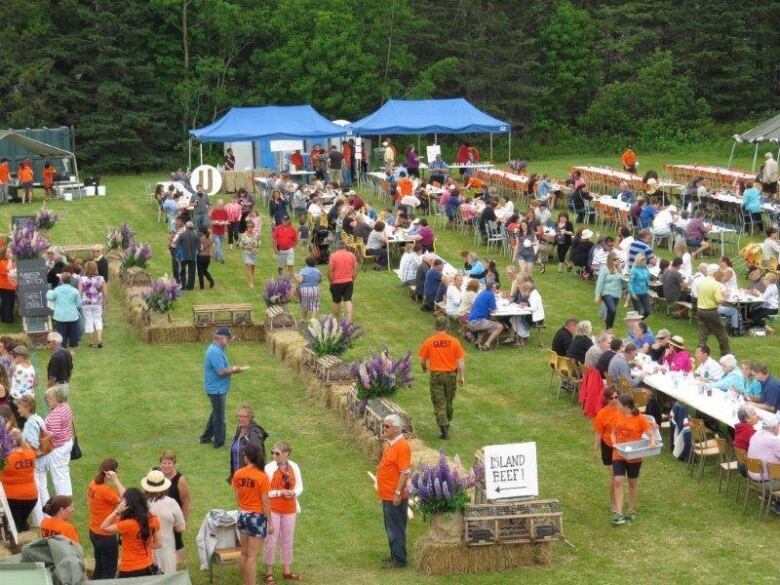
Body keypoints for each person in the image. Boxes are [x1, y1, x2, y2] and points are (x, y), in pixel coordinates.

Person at [610, 393, 656, 526]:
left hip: (634, 456)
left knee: (632, 483)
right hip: (619, 454)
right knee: (618, 481)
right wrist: (614, 443)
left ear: (626, 406)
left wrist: (652, 442)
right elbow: (613, 432)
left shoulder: (639, 418)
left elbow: (650, 434)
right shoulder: (617, 415)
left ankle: (632, 510)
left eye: (618, 404)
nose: (616, 405)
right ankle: (619, 513)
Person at [232, 442, 274, 585]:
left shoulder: (238, 474)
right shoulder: (262, 477)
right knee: (252, 556)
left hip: (242, 515)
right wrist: (270, 521)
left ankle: (245, 581)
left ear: (247, 457)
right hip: (256, 517)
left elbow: (237, 497)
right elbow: (265, 501)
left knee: (244, 553)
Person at [418, 317, 466, 440]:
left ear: (436, 327)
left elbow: (423, 360)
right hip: (451, 376)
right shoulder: (454, 342)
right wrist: (462, 377)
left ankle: (444, 431)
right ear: (447, 327)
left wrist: (424, 368)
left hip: (437, 376)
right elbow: (460, 361)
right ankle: (447, 422)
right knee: (448, 401)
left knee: (439, 402)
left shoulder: (429, 341)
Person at [264, 441, 304, 583]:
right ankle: (268, 572)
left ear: (286, 453)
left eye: (277, 453)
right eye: (272, 453)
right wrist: (279, 492)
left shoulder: (294, 467)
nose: (274, 456)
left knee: (287, 539)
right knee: (271, 539)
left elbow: (299, 487)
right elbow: (265, 492)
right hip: (273, 509)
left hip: (289, 509)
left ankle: (286, 571)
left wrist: (292, 493)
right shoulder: (268, 468)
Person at [100, 487, 162, 578]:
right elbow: (158, 544)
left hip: (129, 569)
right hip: (148, 566)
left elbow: (103, 527)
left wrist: (117, 511)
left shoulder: (128, 525)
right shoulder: (154, 519)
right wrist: (145, 545)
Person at [201, 328, 246, 449]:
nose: (229, 341)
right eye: (228, 338)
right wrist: (235, 370)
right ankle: (219, 443)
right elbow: (221, 371)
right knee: (220, 417)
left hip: (217, 388)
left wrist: (232, 368)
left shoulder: (218, 350)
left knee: (216, 413)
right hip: (216, 389)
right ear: (222, 338)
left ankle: (205, 437)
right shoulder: (215, 352)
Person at [376, 414, 411, 569]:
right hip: (388, 494)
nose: (384, 428)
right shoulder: (392, 443)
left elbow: (405, 472)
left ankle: (399, 560)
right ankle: (395, 555)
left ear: (397, 428)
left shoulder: (402, 446)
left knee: (395, 527)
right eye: (384, 425)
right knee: (391, 526)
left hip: (394, 496)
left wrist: (397, 493)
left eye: (387, 426)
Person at [87, 458, 125, 579]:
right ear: (110, 473)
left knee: (99, 567)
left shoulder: (93, 483)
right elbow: (126, 499)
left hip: (94, 531)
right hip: (106, 535)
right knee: (109, 571)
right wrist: (116, 480)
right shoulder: (105, 490)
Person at [142, 469, 185, 575]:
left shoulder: (141, 503)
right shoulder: (171, 503)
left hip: (146, 549)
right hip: (166, 548)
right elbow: (181, 527)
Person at [0, 427, 37, 531]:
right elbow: (26, 447)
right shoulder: (30, 454)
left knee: (15, 526)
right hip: (31, 497)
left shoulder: (7, 460)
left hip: (13, 498)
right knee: (21, 522)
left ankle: (18, 543)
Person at [593, 389, 622, 515]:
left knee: (619, 477)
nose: (615, 399)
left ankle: (617, 500)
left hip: (620, 446)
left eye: (616, 396)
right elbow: (598, 433)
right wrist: (595, 450)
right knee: (615, 476)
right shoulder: (602, 414)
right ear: (606, 400)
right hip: (608, 447)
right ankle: (614, 503)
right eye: (611, 398)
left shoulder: (622, 409)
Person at [42, 385, 73, 501]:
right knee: (64, 473)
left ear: (57, 398)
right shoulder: (66, 406)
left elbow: (53, 433)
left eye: (50, 398)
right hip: (67, 443)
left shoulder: (56, 413)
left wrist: (42, 430)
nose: (47, 400)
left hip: (58, 448)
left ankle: (63, 502)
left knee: (58, 477)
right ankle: (67, 498)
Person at [746, 415, 780, 515]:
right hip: (767, 482)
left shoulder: (755, 435)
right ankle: (778, 505)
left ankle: (766, 496)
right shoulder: (774, 441)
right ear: (774, 428)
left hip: (752, 477)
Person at [696, 264, 730, 356]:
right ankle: (726, 355)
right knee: (722, 335)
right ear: (715, 273)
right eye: (720, 272)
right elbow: (718, 300)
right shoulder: (715, 284)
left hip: (700, 310)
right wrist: (726, 299)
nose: (721, 274)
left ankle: (699, 353)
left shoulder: (702, 282)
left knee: (703, 335)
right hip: (711, 311)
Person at [229, 403, 269, 482]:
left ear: (251, 418)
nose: (241, 418)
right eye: (239, 416)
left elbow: (258, 457)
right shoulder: (239, 428)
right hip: (238, 475)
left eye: (245, 416)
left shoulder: (254, 434)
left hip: (250, 478)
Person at [46, 272, 82, 349]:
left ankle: (63, 348)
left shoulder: (57, 290)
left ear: (61, 280)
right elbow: (79, 304)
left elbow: (50, 297)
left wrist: (48, 292)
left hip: (60, 316)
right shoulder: (74, 291)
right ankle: (73, 349)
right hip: (72, 315)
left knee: (61, 333)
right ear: (70, 280)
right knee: (73, 333)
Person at [467, 283, 505, 351]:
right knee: (500, 326)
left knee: (488, 323)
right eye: (495, 287)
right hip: (477, 322)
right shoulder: (491, 294)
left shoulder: (482, 292)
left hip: (470, 321)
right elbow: (494, 310)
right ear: (493, 288)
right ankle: (487, 344)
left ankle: (478, 342)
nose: (496, 289)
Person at [328, 242, 358, 321]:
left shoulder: (333, 256)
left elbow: (330, 271)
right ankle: (349, 320)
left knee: (336, 301)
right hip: (348, 281)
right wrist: (352, 279)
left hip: (336, 282)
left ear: (337, 248)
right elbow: (355, 270)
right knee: (348, 300)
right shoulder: (352, 255)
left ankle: (336, 320)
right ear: (345, 247)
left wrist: (331, 281)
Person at [80, 260, 107, 348]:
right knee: (98, 320)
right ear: (95, 268)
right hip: (97, 302)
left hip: (86, 303)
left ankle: (91, 342)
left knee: (89, 321)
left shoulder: (82, 279)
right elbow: (105, 293)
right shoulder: (101, 279)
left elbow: (79, 293)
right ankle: (99, 339)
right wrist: (106, 302)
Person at [595, 253, 623, 329]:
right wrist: (598, 295)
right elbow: (600, 282)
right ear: (610, 260)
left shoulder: (618, 269)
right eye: (614, 259)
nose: (616, 261)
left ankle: (608, 330)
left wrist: (620, 271)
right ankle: (609, 329)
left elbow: (622, 281)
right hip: (607, 293)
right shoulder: (605, 268)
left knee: (611, 313)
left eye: (618, 259)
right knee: (612, 310)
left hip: (616, 294)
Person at [295, 257, 322, 321]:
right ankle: (313, 318)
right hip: (315, 289)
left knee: (305, 304)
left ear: (306, 263)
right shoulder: (317, 271)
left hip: (305, 289)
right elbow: (320, 280)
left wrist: (295, 276)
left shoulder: (303, 270)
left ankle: (304, 319)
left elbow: (300, 280)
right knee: (315, 304)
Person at [628, 253, 652, 318]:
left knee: (648, 312)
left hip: (644, 293)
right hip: (636, 294)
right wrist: (632, 293)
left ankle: (636, 323)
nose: (645, 261)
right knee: (638, 313)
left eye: (645, 259)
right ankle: (637, 324)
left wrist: (650, 283)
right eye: (643, 259)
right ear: (639, 260)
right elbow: (630, 283)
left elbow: (647, 280)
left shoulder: (646, 269)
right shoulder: (634, 270)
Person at [177, 221, 199, 291]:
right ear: (192, 227)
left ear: (186, 227)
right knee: (192, 272)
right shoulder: (196, 235)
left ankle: (183, 286)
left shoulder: (182, 235)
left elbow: (177, 245)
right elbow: (198, 247)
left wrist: (177, 255)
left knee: (182, 271)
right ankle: (190, 287)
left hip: (183, 256)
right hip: (193, 257)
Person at [0, 247, 17, 324]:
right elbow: (8, 270)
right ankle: (7, 319)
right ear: (4, 253)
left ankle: (6, 318)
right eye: (9, 251)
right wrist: (10, 260)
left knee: (9, 303)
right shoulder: (2, 262)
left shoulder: (10, 262)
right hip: (5, 286)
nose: (11, 253)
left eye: (11, 251)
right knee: (7, 303)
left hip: (11, 286)